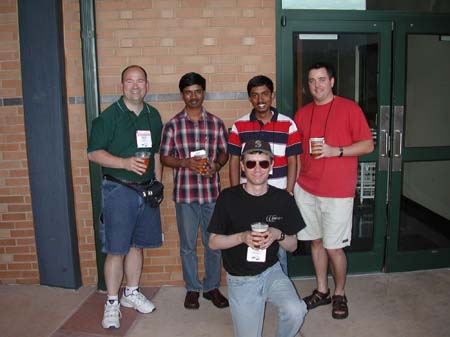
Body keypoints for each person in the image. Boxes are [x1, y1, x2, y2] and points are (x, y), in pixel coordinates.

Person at [293, 62, 374, 319]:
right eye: (311, 81)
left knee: (334, 247)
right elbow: (296, 154)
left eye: (321, 79)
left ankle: (340, 293)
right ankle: (322, 290)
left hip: (337, 192)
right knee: (315, 242)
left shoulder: (349, 108)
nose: (316, 85)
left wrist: (336, 151)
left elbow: (368, 145)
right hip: (306, 189)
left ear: (332, 81)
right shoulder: (302, 114)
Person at [87, 65, 163, 329]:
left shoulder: (153, 116)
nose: (135, 86)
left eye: (140, 81)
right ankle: (111, 302)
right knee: (116, 249)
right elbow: (93, 153)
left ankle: (131, 293)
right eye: (129, 81)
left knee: (136, 245)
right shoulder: (108, 118)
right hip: (118, 189)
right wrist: (124, 162)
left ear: (147, 85)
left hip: (146, 190)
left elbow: (154, 154)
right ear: (122, 86)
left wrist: (158, 183)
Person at [208, 139, 307, 337]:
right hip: (240, 278)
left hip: (271, 271)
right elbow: (213, 242)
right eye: (251, 163)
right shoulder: (228, 198)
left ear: (271, 166)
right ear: (243, 166)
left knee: (296, 310)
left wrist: (277, 234)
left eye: (263, 163)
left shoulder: (283, 199)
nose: (257, 169)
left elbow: (293, 245)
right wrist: (242, 237)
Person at [160, 72, 229, 310]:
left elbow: (224, 152)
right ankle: (192, 289)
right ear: (183, 95)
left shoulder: (216, 123)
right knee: (187, 245)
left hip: (211, 194)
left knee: (213, 243)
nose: (193, 96)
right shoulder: (173, 125)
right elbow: (164, 158)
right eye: (188, 92)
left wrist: (217, 165)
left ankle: (211, 287)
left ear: (203, 93)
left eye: (197, 91)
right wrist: (185, 163)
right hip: (185, 195)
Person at [227, 75, 302, 275]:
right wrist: (236, 194)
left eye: (265, 94)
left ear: (272, 96)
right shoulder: (239, 125)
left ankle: (280, 285)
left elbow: (294, 160)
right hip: (248, 195)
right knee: (252, 240)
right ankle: (252, 283)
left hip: (278, 197)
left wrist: (289, 191)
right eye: (255, 95)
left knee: (277, 242)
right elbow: (234, 161)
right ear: (249, 98)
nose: (260, 99)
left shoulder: (288, 124)